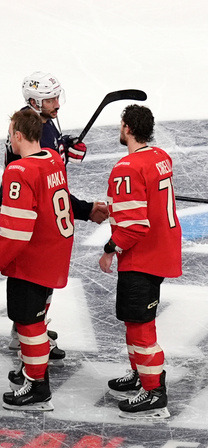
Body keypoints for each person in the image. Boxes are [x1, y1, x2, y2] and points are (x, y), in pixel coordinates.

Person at [2, 71, 110, 357]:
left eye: (57, 96)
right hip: (33, 214)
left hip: (34, 206)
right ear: (35, 101)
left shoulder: (37, 123)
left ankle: (26, 328)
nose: (57, 103)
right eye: (50, 98)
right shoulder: (38, 128)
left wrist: (65, 145)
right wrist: (86, 209)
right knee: (37, 276)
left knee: (38, 278)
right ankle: (27, 331)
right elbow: (52, 191)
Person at [0, 109, 75, 412]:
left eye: (11, 133)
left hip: (33, 258)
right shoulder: (53, 158)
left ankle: (38, 388)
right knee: (35, 317)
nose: (10, 138)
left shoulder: (20, 171)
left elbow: (16, 233)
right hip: (56, 251)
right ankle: (31, 374)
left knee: (29, 323)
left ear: (19, 136)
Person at [99, 105, 182, 419]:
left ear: (126, 128)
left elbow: (135, 226)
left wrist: (109, 248)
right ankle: (139, 373)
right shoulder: (161, 157)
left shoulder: (127, 167)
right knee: (134, 320)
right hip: (160, 251)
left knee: (140, 325)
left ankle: (153, 391)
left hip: (142, 257)